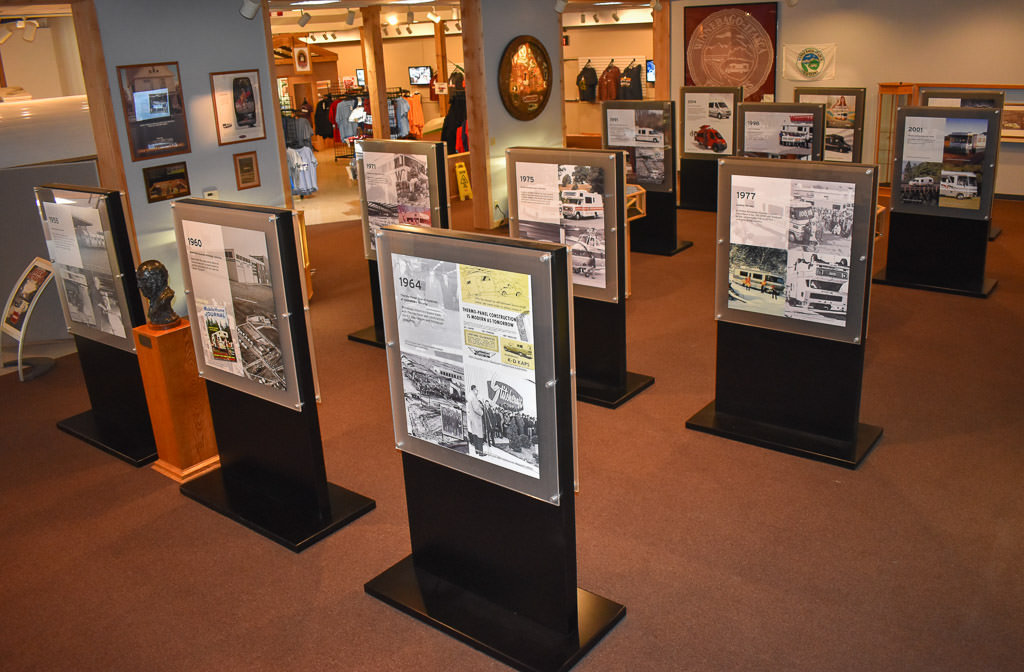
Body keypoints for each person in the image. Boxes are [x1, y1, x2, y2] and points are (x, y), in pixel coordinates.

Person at [468, 384, 485, 456]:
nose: (477, 391)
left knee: (475, 434)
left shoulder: (470, 396)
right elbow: (476, 409)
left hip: (472, 418)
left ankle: (477, 451)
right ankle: (481, 452)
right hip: (477, 418)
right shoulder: (473, 397)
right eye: (476, 390)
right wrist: (482, 413)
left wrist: (479, 405)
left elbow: (475, 406)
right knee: (479, 435)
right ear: (474, 389)